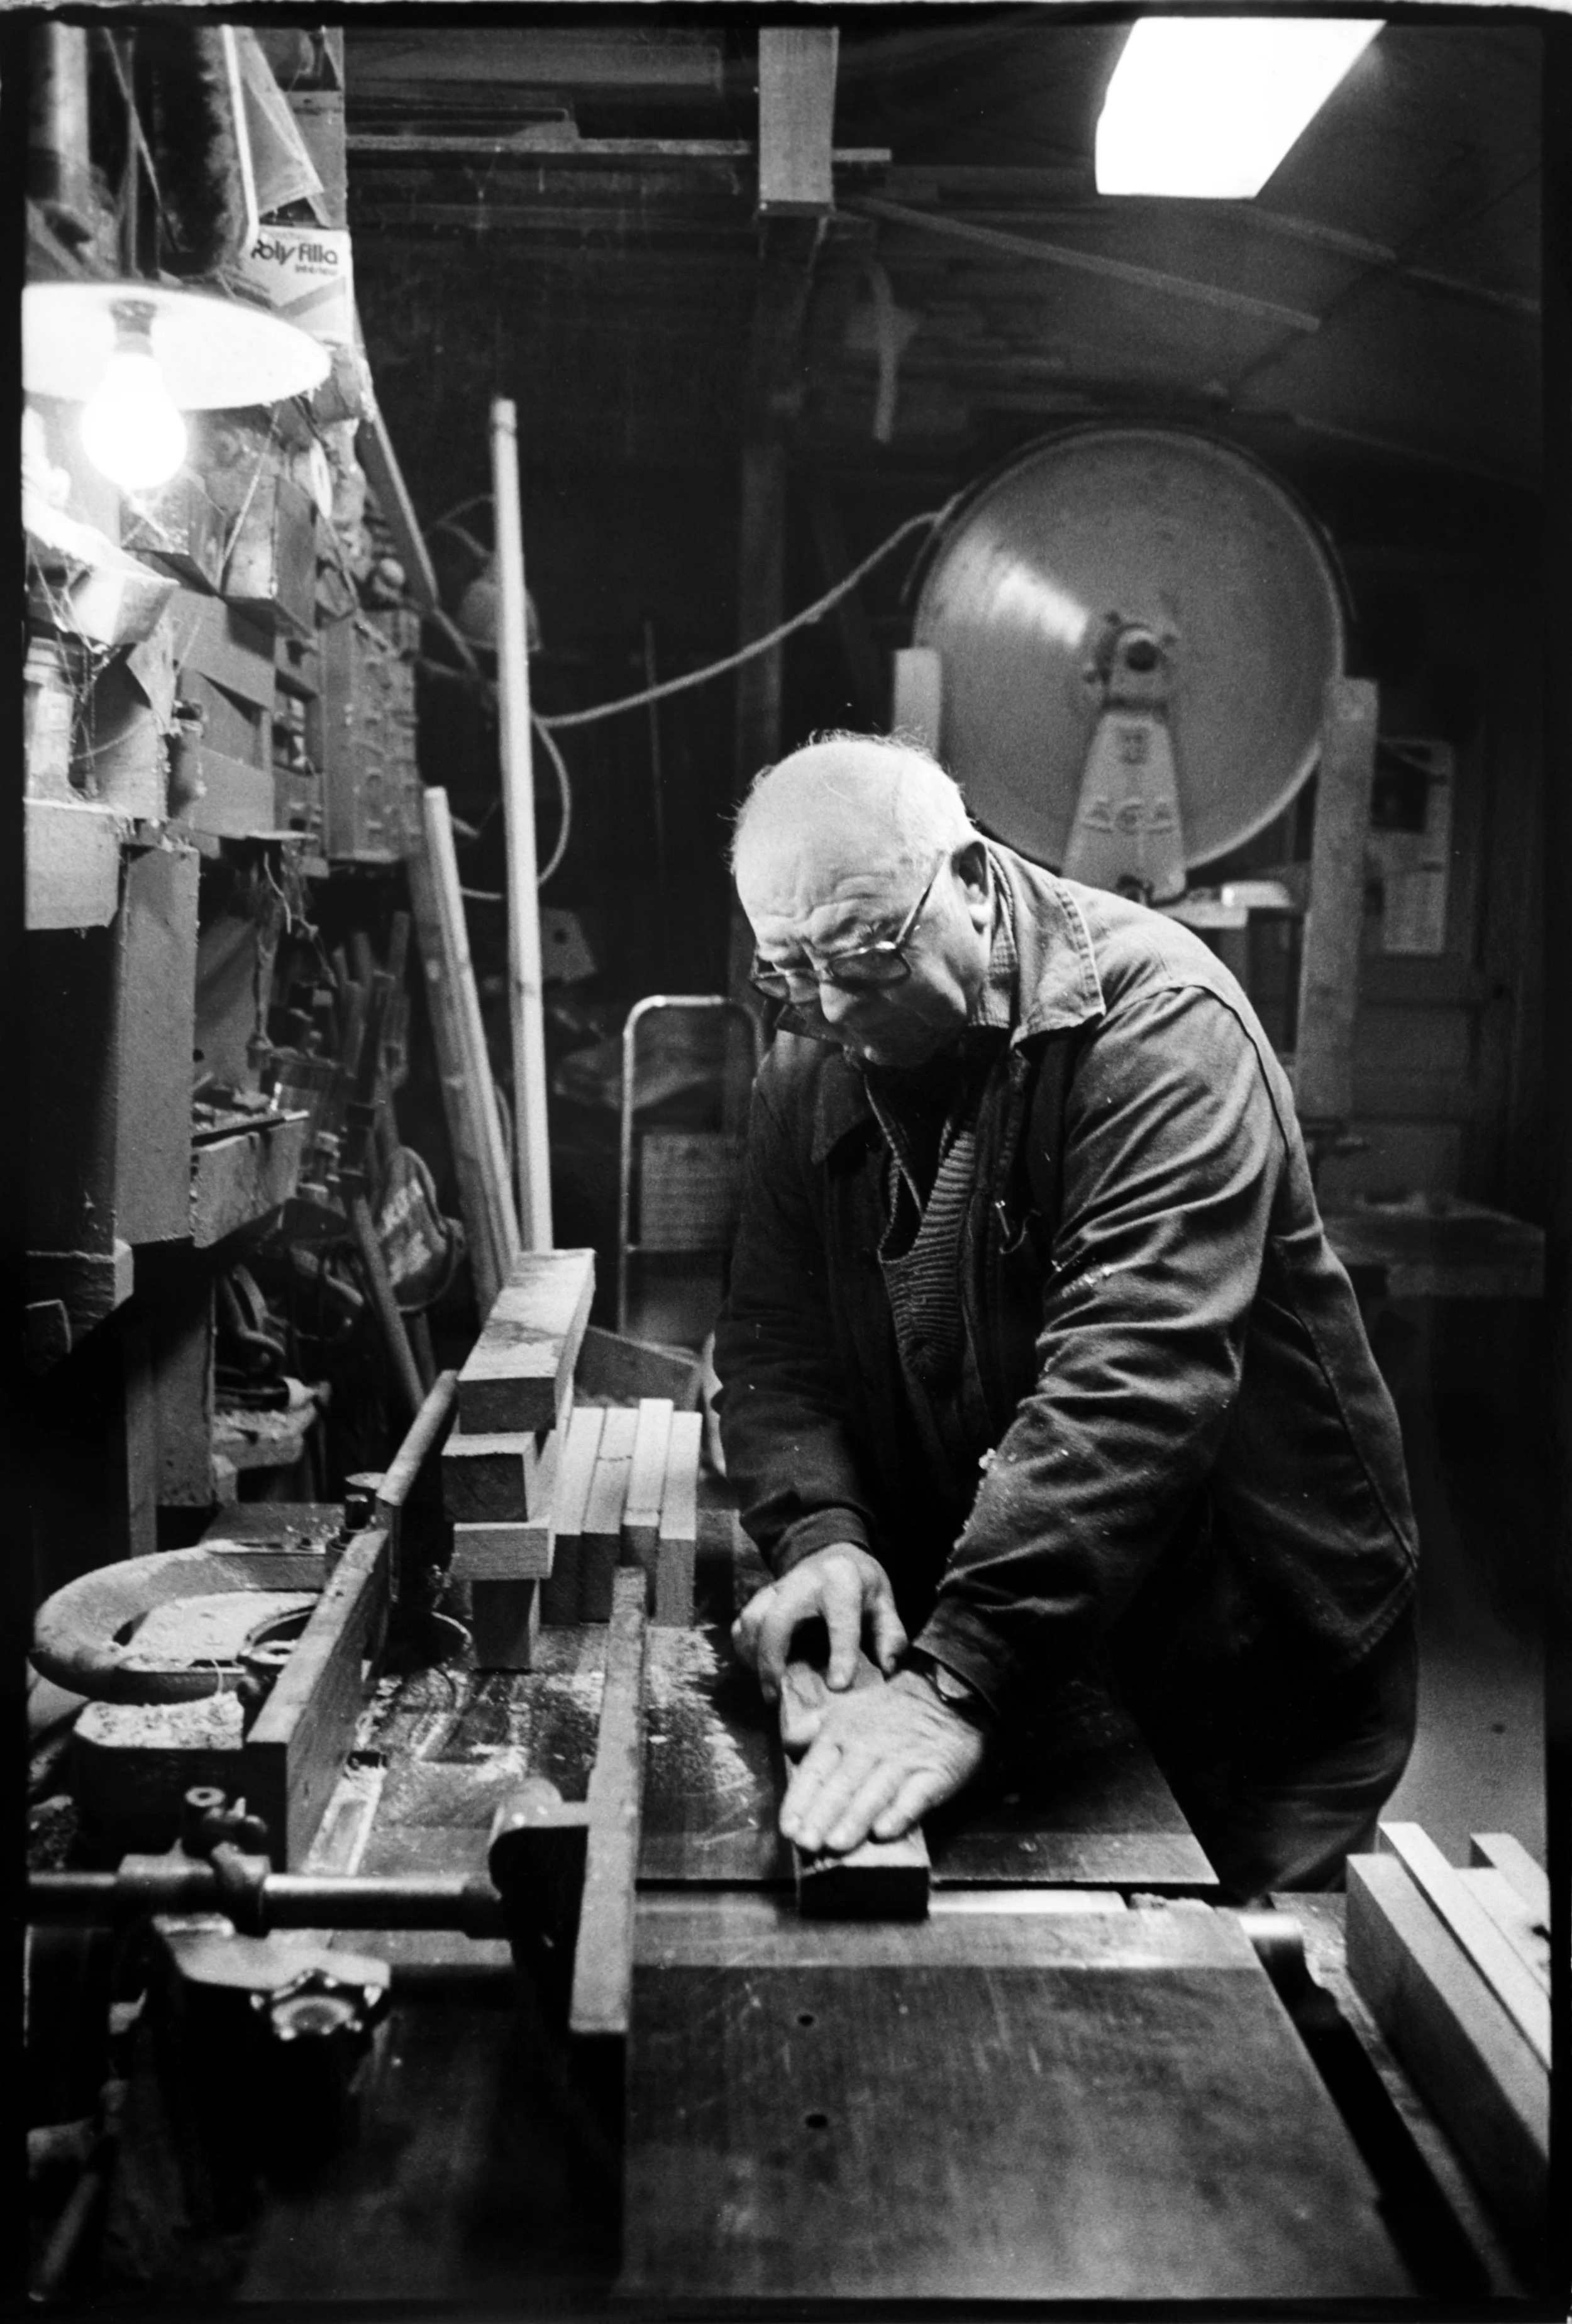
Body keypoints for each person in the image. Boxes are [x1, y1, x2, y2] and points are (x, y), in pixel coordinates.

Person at [712, 732, 1419, 1902]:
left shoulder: (1161, 1026)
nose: (832, 1007)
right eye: (789, 967)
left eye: (870, 957)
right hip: (1052, 1625)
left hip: (1250, 1656)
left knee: (1222, 1994)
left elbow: (1133, 1376)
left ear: (976, 883)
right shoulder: (811, 1050)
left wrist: (958, 1677)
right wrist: (823, 1533)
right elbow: (776, 1342)